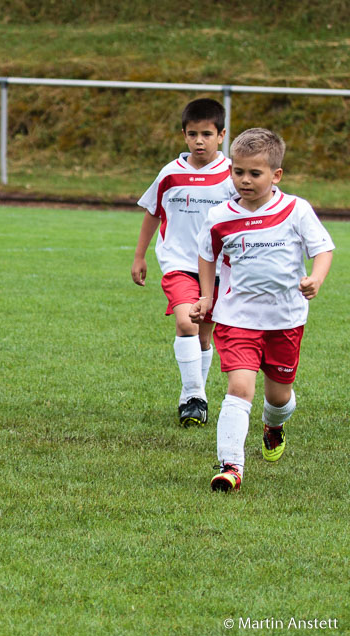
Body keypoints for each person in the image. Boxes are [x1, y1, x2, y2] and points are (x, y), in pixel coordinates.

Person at [190, 128, 334, 492]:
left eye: (255, 173)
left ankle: (274, 425)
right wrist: (207, 297)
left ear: (276, 175)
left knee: (279, 397)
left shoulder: (295, 209)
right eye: (238, 172)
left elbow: (323, 248)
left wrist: (315, 278)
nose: (244, 180)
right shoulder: (220, 215)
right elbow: (207, 256)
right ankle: (231, 467)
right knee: (239, 388)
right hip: (237, 317)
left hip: (285, 319)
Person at [132, 98, 236, 427]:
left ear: (221, 135)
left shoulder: (233, 175)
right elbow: (153, 211)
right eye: (193, 134)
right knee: (186, 323)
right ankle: (194, 396)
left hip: (219, 269)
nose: (199, 141)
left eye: (207, 134)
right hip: (178, 263)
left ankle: (193, 395)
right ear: (184, 135)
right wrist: (140, 255)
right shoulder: (171, 173)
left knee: (204, 338)